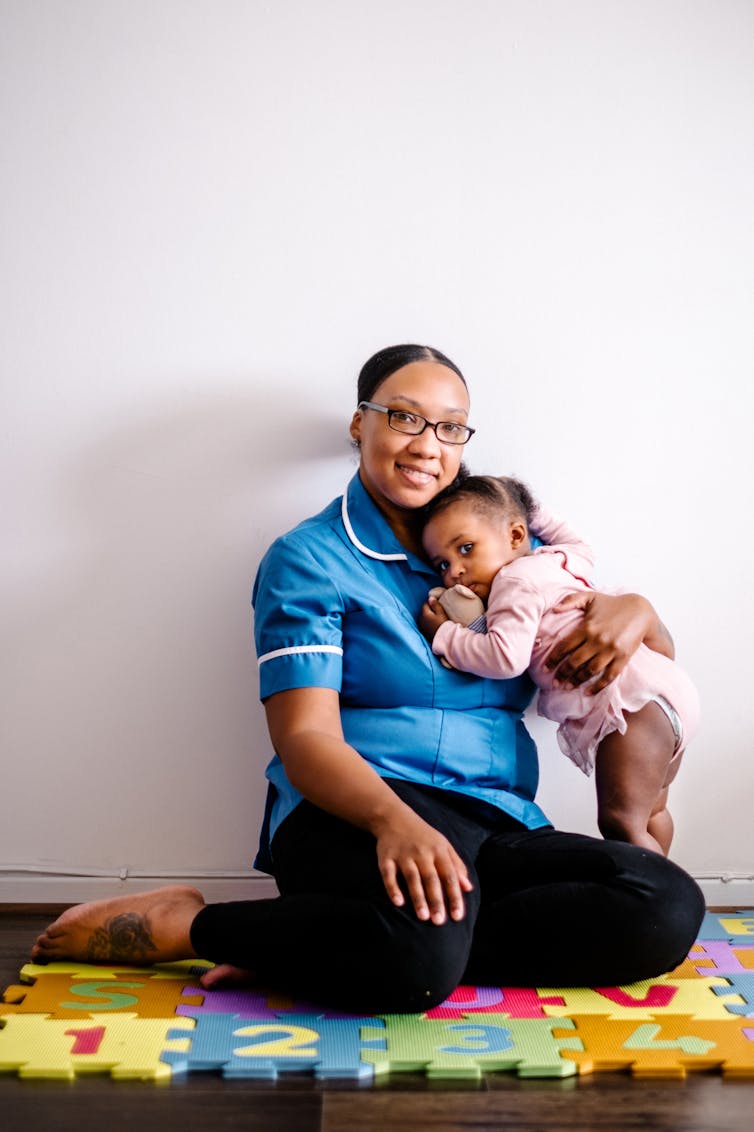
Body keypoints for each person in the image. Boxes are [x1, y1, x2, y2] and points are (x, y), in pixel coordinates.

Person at [31, 344, 705, 1014]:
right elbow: (303, 737)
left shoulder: (500, 553)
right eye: (405, 418)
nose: (426, 445)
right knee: (421, 963)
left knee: (665, 902)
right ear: (361, 424)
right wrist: (394, 821)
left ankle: (319, 942)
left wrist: (640, 613)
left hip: (495, 820)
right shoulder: (311, 558)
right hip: (356, 809)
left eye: (449, 427)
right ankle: (193, 924)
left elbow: (638, 671)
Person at [419, 474, 700, 857]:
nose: (454, 572)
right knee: (654, 810)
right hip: (665, 690)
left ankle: (658, 898)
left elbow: (505, 657)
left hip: (629, 705)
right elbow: (578, 542)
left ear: (516, 537)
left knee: (621, 821)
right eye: (442, 564)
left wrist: (444, 635)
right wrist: (526, 505)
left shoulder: (512, 584)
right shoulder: (556, 560)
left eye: (466, 549)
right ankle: (668, 891)